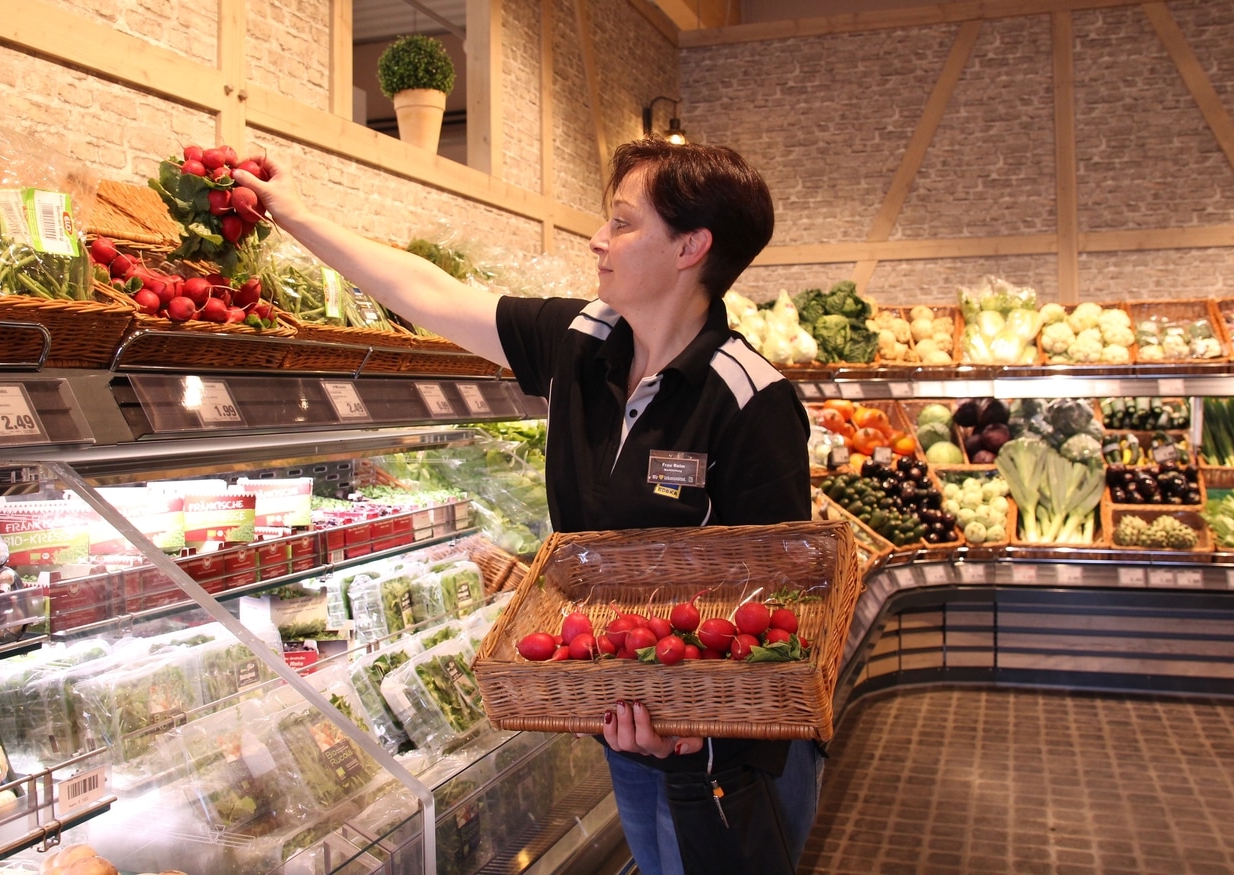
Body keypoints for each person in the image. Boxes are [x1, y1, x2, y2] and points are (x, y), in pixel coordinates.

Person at [235, 138, 822, 875]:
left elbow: (787, 609)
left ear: (689, 248)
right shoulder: (581, 342)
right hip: (626, 722)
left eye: (622, 222)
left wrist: (695, 735)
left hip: (722, 758)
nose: (596, 239)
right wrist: (292, 210)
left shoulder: (749, 398)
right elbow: (426, 292)